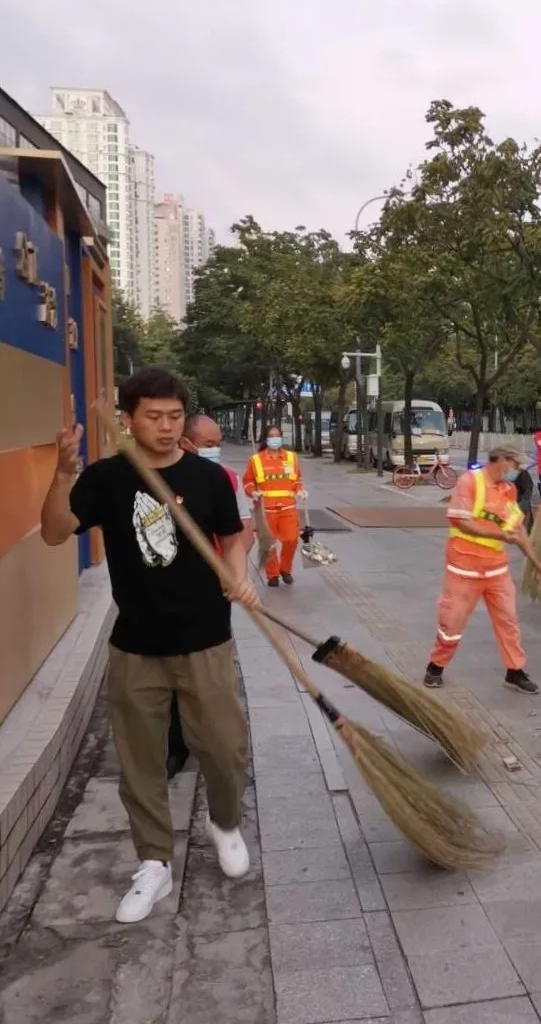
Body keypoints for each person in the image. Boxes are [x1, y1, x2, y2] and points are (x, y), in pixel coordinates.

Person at [40, 366, 257, 924]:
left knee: (225, 751)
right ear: (128, 420)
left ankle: (225, 824)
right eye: (154, 417)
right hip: (135, 646)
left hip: (206, 641)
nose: (166, 427)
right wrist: (61, 474)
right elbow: (55, 532)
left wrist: (238, 574)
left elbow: (233, 537)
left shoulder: (208, 478)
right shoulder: (107, 478)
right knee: (140, 763)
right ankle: (154, 862)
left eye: (175, 416)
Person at [165, 415, 255, 780]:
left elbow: (244, 530)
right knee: (171, 668)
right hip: (168, 591)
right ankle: (176, 746)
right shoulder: (159, 479)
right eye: (208, 445)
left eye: (217, 444)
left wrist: (234, 575)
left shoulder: (226, 479)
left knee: (210, 671)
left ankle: (209, 740)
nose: (214, 450)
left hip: (213, 593)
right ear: (186, 443)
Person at [424, 444, 541, 695]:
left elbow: (518, 529)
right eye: (515, 464)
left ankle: (515, 671)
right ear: (501, 459)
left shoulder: (508, 490)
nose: (518, 470)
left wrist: (536, 563)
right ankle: (436, 666)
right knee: (452, 623)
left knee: (509, 621)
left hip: (496, 569)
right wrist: (500, 535)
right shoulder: (470, 482)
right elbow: (463, 523)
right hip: (464, 568)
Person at [243, 425, 305, 588]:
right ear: (266, 439)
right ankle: (273, 575)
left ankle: (285, 569)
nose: (275, 439)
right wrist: (253, 492)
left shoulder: (291, 457)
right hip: (265, 510)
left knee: (291, 539)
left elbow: (297, 479)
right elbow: (248, 481)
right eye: (271, 436)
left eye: (277, 435)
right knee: (268, 544)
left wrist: (300, 490)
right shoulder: (256, 460)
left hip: (287, 508)